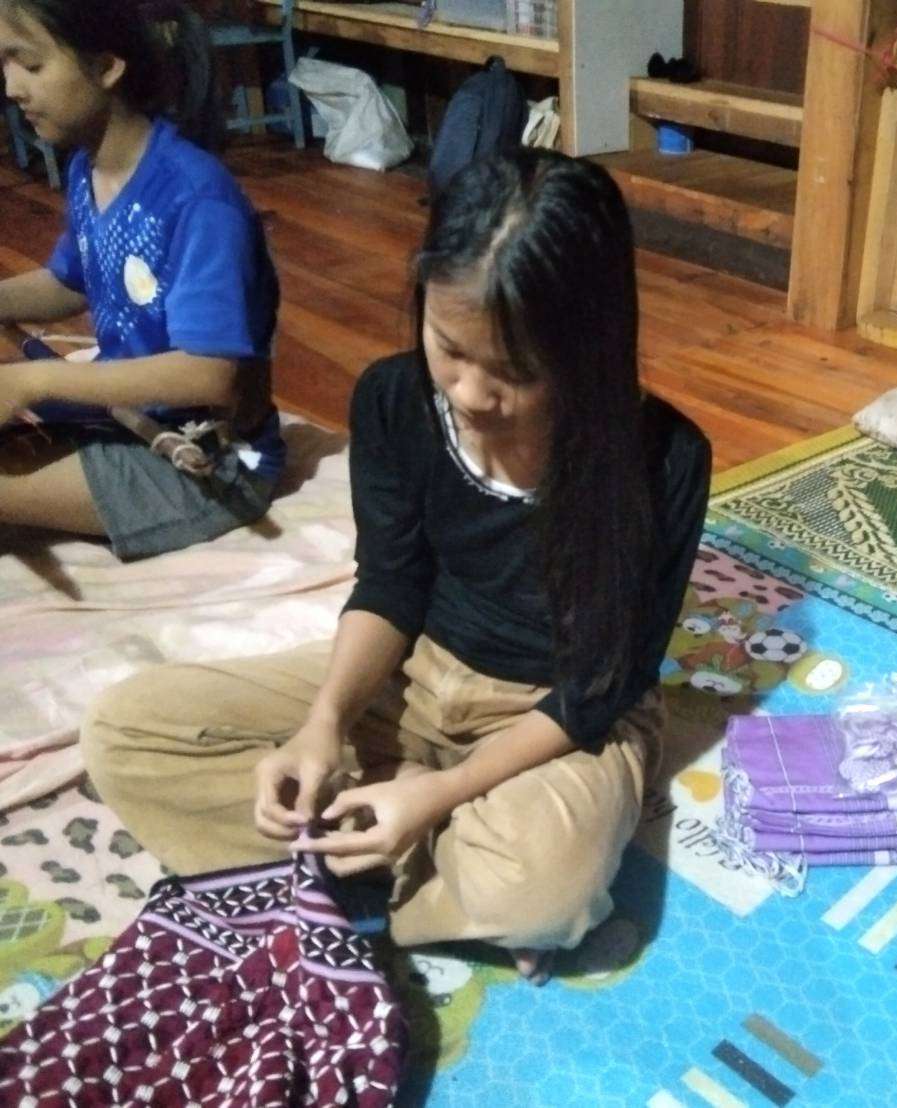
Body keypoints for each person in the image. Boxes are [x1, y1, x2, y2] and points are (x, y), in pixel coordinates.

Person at [81, 149, 713, 982]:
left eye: (514, 373)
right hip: (417, 672)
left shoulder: (660, 459)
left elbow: (603, 684)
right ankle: (406, 858)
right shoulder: (393, 398)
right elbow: (391, 581)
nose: (470, 393)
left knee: (541, 889)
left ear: (590, 347)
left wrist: (433, 795)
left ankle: (365, 861)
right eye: (449, 347)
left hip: (557, 716)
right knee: (128, 731)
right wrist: (325, 723)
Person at [0, 0, 283, 558]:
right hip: (125, 422)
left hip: (209, 468)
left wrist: (31, 383)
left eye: (29, 65)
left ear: (107, 67)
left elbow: (209, 377)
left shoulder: (196, 196)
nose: (11, 87)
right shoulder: (90, 167)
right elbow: (71, 281)